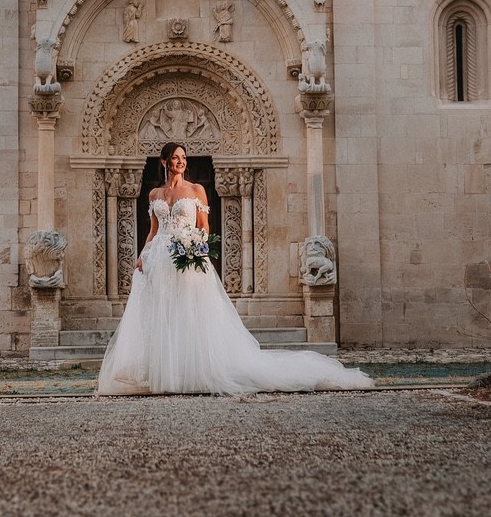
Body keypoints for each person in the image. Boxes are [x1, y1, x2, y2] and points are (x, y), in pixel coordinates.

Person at [96, 142, 374, 395]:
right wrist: (142, 255)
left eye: (184, 157)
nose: (181, 161)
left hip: (186, 257)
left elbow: (204, 227)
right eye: (176, 157)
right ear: (164, 161)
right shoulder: (154, 194)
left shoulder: (196, 190)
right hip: (158, 258)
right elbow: (153, 230)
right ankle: (166, 371)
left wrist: (196, 249)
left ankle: (194, 370)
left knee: (189, 312)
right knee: (163, 313)